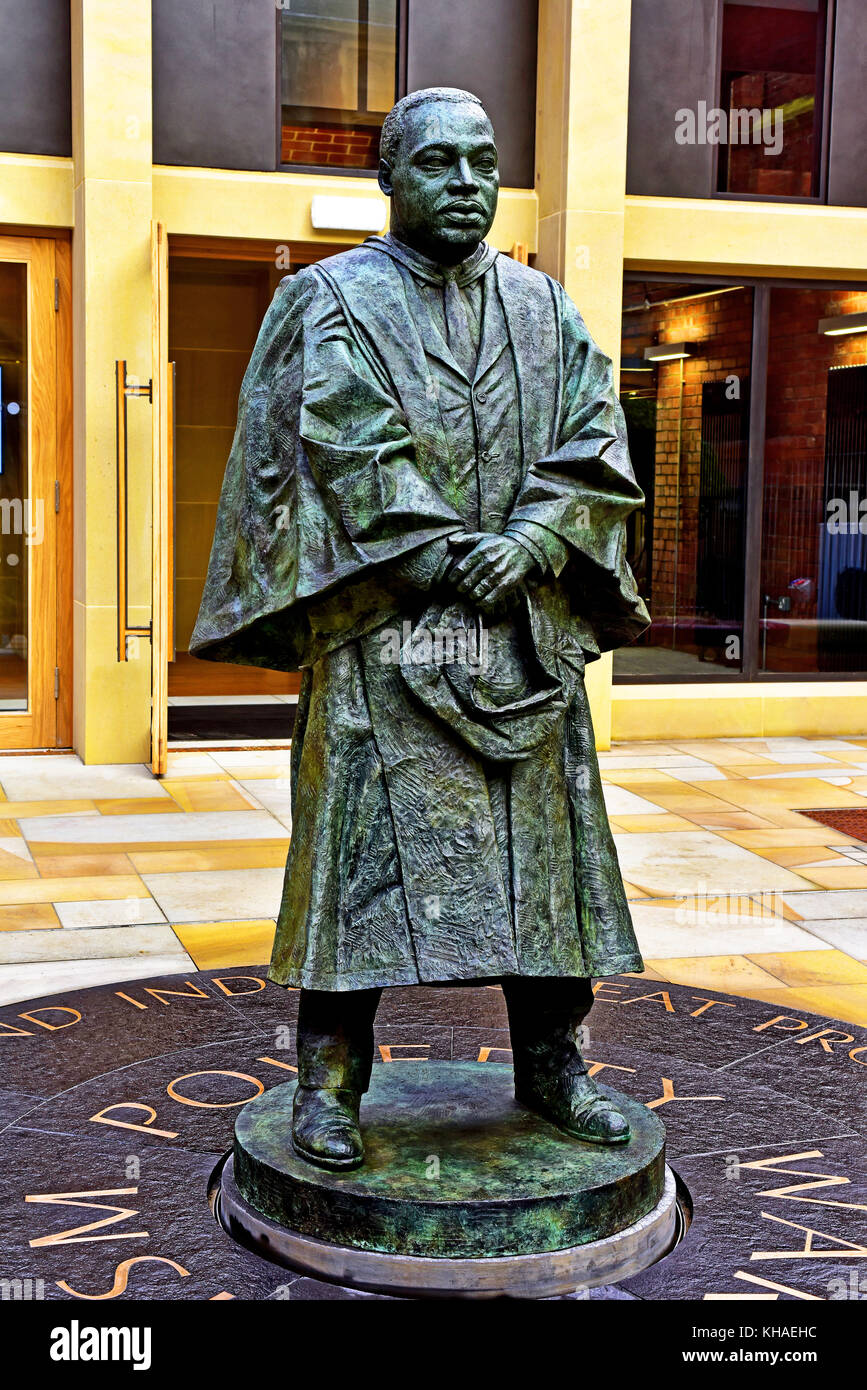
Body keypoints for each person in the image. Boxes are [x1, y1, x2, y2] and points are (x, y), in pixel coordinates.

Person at [191, 87, 650, 1171]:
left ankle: (555, 1065)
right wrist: (448, 554)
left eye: (483, 163)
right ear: (387, 180)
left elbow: (596, 442)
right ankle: (331, 1080)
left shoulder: (547, 310)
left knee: (545, 879)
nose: (466, 184)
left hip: (522, 639)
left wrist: (536, 544)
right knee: (359, 874)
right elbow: (337, 446)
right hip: (383, 639)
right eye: (438, 164)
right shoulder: (330, 302)